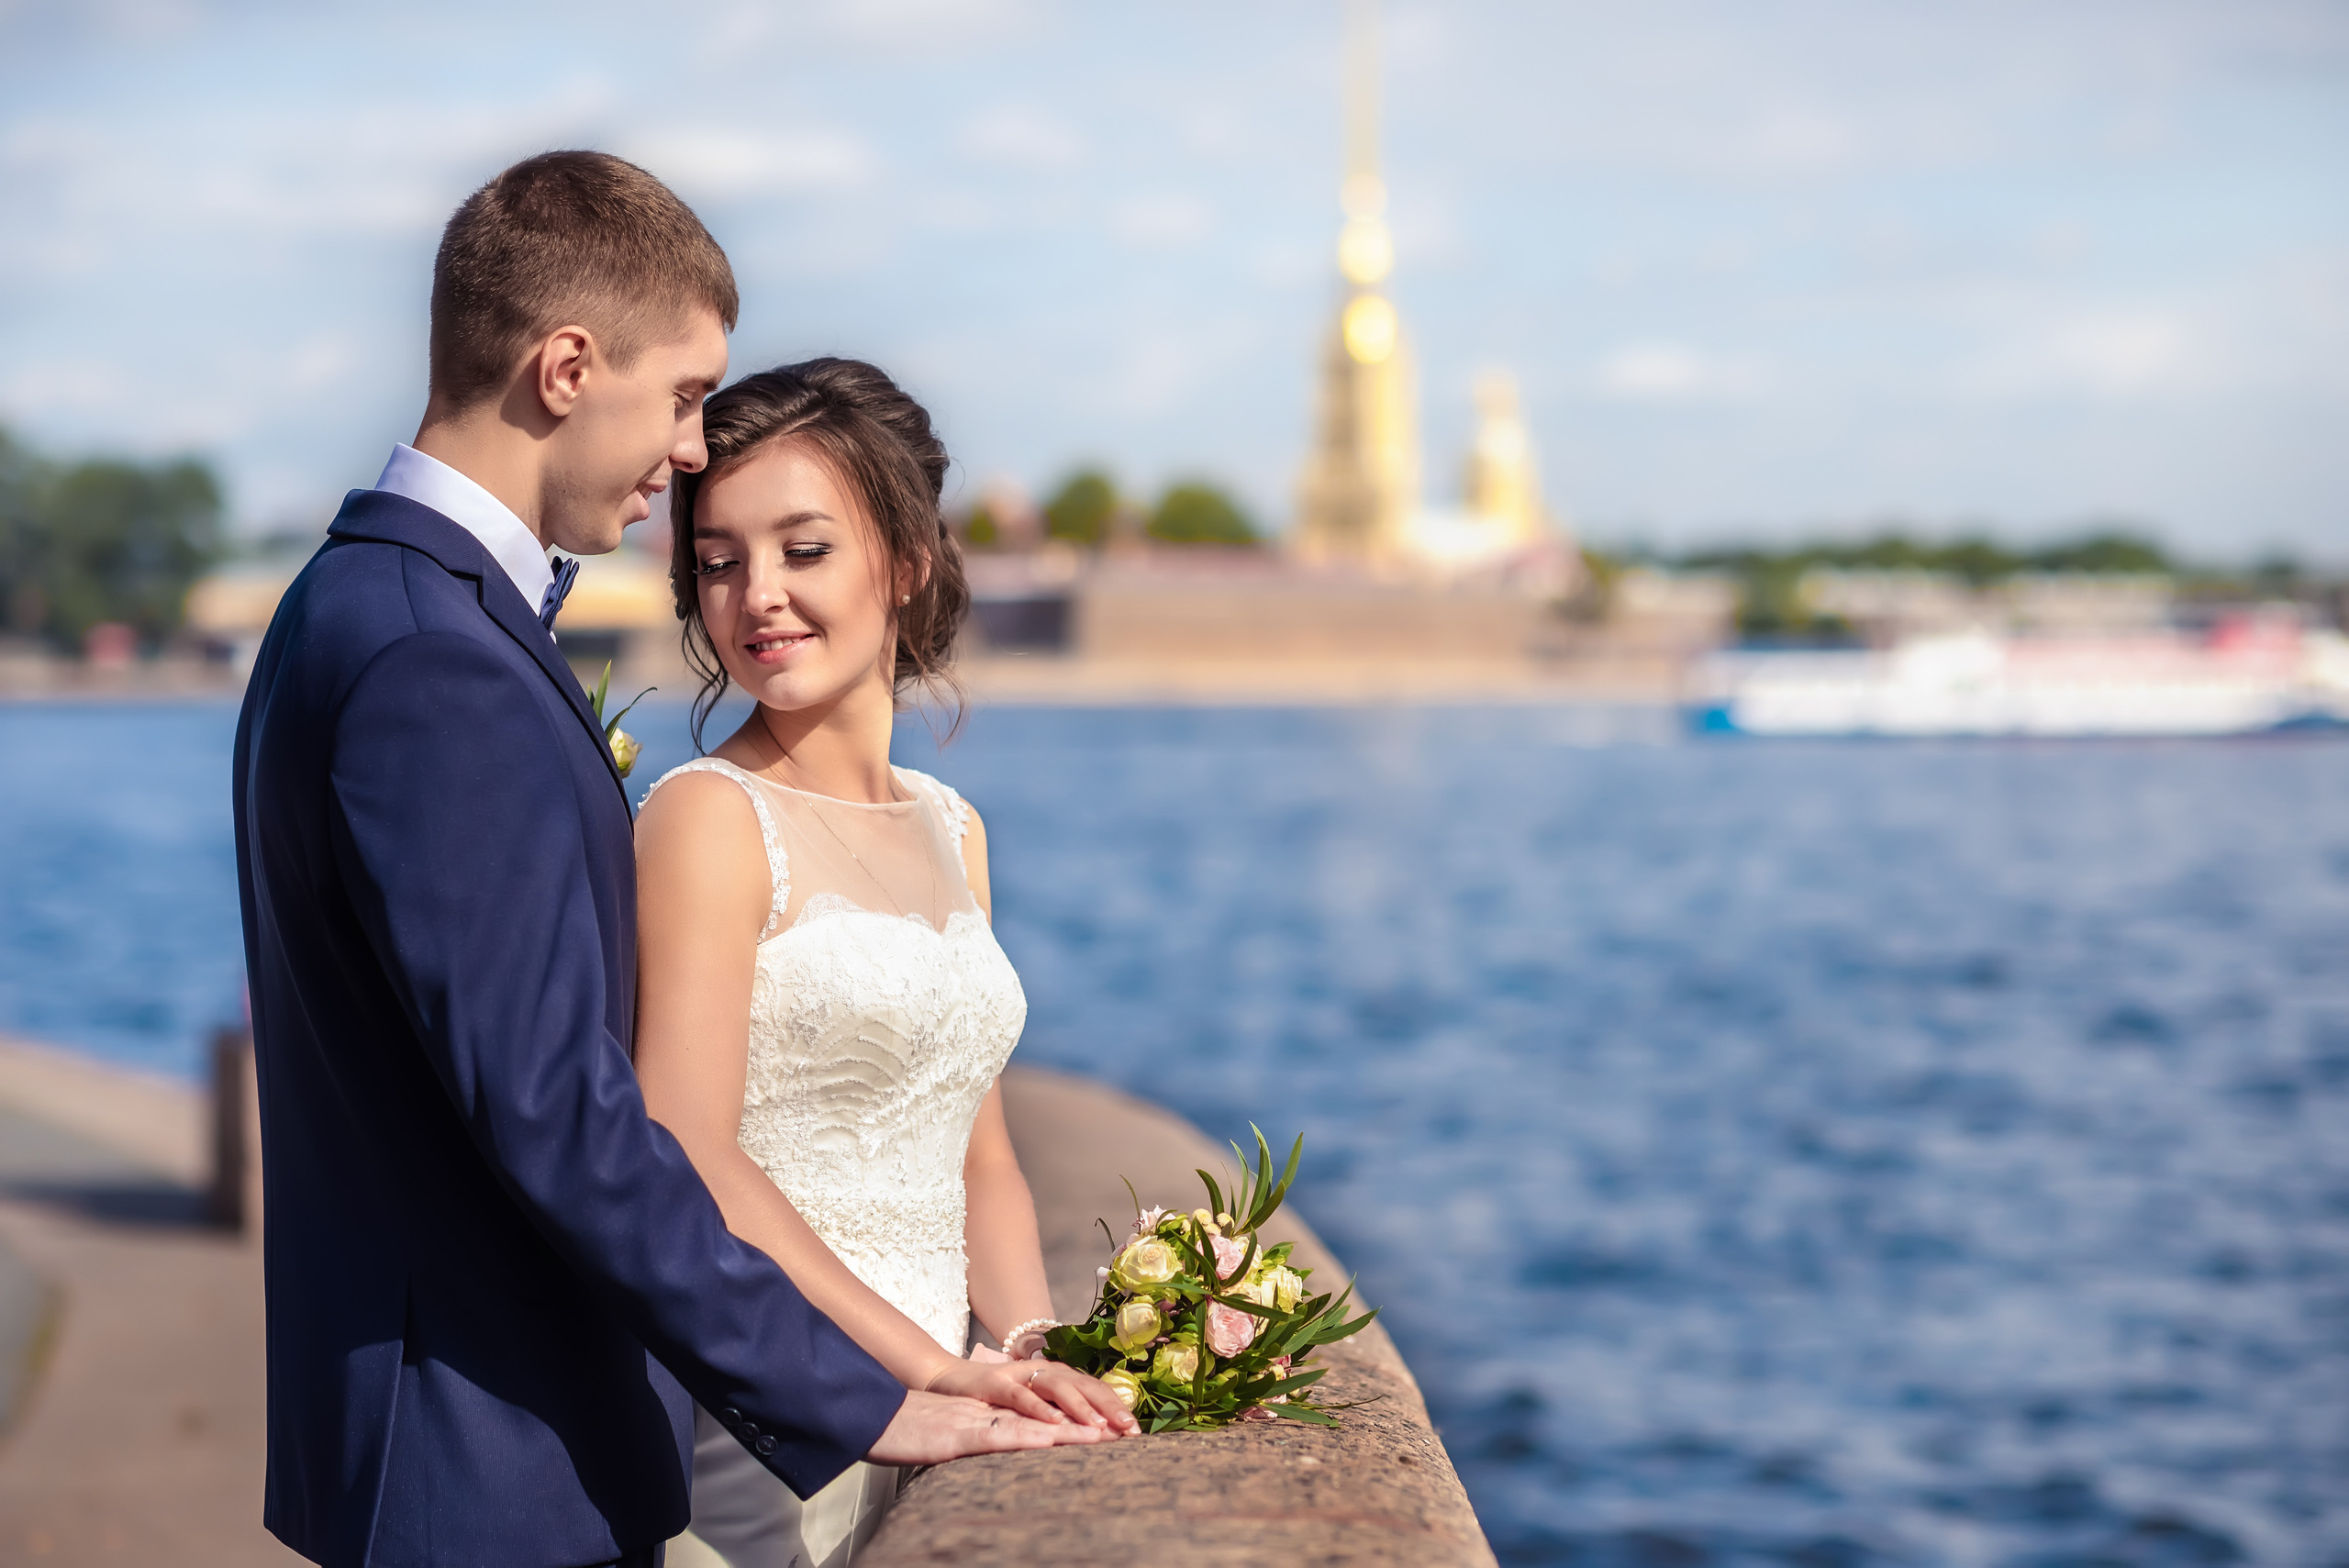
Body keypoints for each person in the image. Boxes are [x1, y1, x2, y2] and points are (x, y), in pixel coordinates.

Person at [231, 151, 1103, 1568]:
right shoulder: (432, 659)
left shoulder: (363, 604)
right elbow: (562, 1113)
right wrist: (877, 1388)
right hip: (487, 1465)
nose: (693, 449)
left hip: (470, 1454)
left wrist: (993, 1340)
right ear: (568, 366)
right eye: (688, 395)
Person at [632, 358, 1137, 1568]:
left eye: (804, 549)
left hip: (945, 1404)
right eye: (720, 560)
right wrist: (922, 1369)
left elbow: (984, 1156)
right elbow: (686, 1141)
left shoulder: (952, 824)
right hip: (783, 1416)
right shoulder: (707, 816)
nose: (758, 596)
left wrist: (1029, 1359)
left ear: (905, 561)